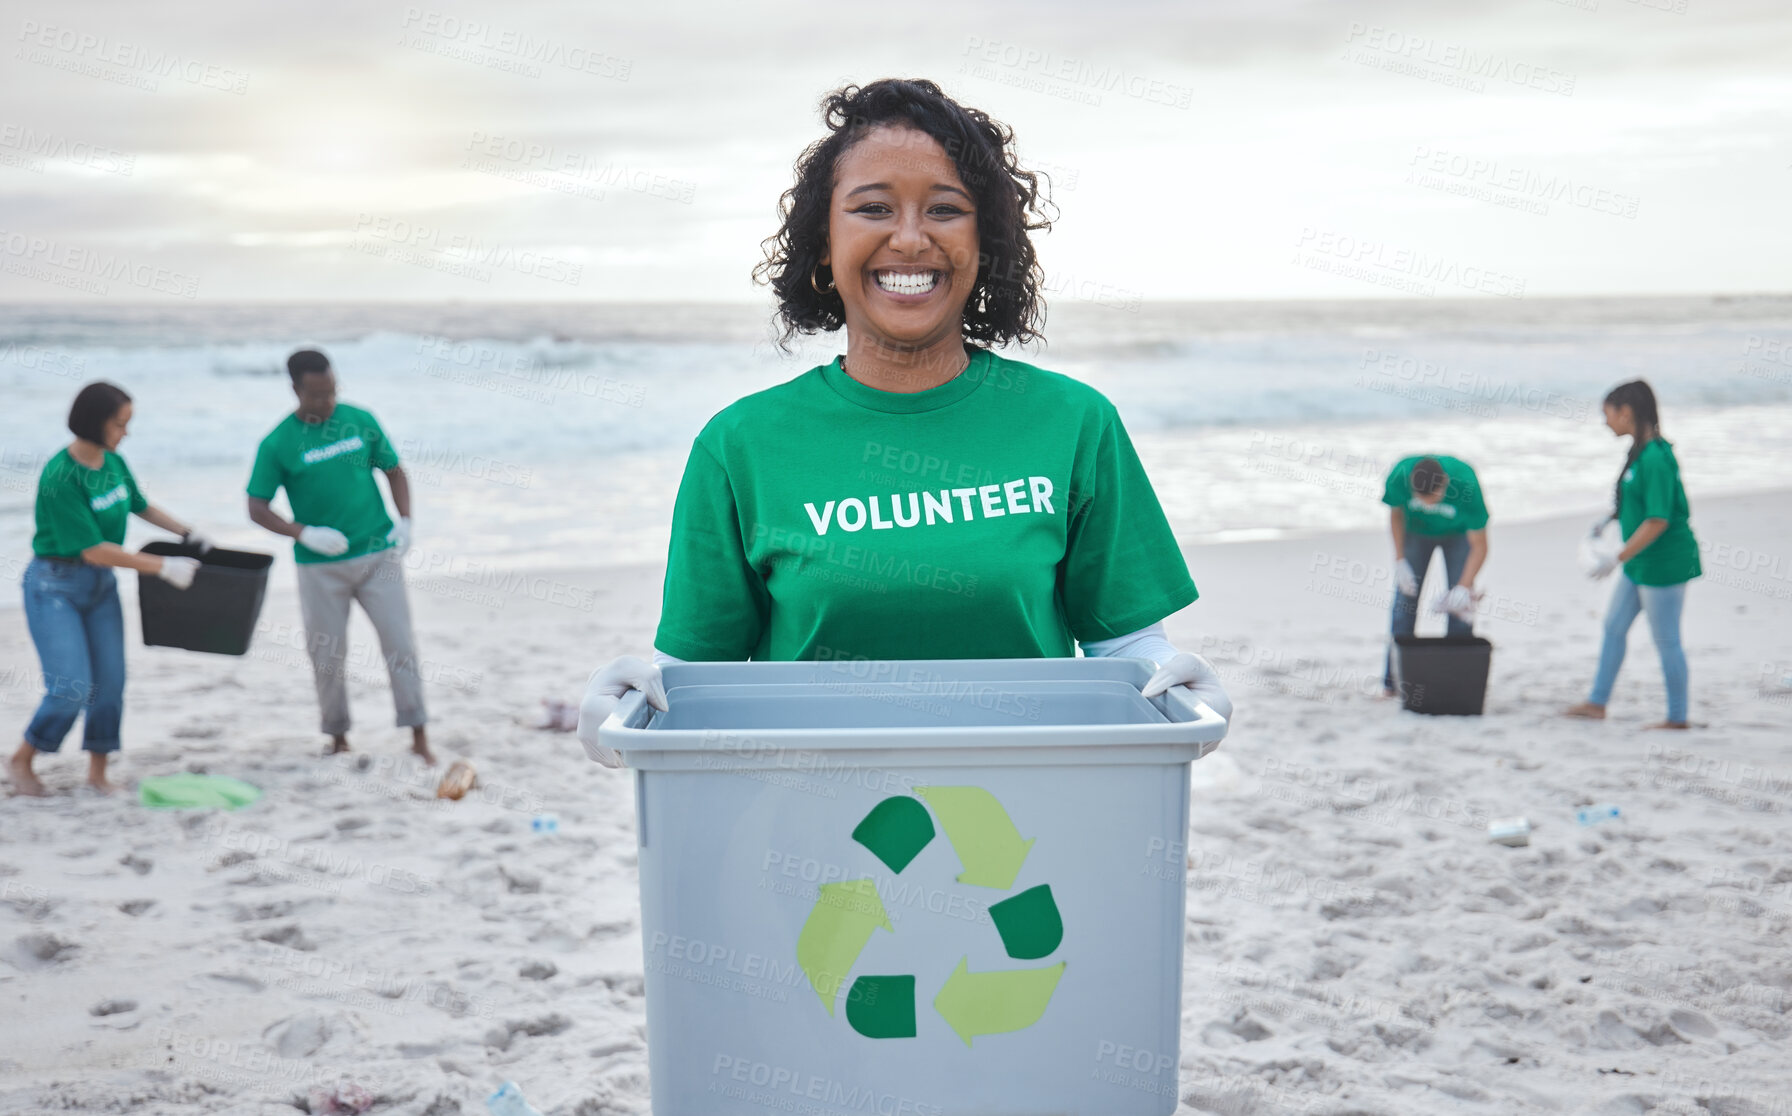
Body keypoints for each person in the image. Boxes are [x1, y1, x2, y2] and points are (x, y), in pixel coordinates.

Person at [575, 78, 1230, 759]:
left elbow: (1122, 646)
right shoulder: (740, 445)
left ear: (986, 241)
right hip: (809, 821)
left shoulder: (1073, 422)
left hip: (1028, 825)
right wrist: (618, 721)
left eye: (946, 210)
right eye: (873, 208)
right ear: (824, 245)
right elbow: (693, 684)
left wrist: (1178, 687)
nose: (911, 239)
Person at [9, 382, 206, 797]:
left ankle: (97, 772)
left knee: (110, 683)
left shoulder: (113, 461)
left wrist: (187, 532)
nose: (126, 432)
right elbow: (95, 550)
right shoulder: (60, 476)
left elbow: (140, 504)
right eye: (120, 424)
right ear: (94, 423)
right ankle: (23, 758)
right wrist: (162, 567)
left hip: (100, 587)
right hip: (54, 586)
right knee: (70, 688)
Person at [247, 350, 433, 764]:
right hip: (320, 566)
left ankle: (418, 733)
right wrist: (301, 532)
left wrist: (405, 520)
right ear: (296, 390)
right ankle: (337, 736)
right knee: (327, 653)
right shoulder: (277, 443)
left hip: (377, 553)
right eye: (317, 395)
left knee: (400, 644)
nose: (327, 402)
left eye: (332, 391)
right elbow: (256, 506)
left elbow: (394, 470)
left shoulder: (359, 420)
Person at [1566, 380, 1700, 728]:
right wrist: (1608, 521)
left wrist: (1617, 558)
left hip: (1663, 563)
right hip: (1639, 561)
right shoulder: (1638, 453)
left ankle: (1677, 718)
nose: (1605, 421)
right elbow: (1634, 503)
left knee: (1666, 639)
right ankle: (1597, 702)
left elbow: (1658, 520)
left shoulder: (1656, 457)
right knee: (1613, 627)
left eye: (1607, 414)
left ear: (1625, 413)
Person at [1381, 454, 1489, 696]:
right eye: (1422, 499)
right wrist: (1399, 561)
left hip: (1459, 535)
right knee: (1404, 602)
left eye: (1433, 498)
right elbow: (1396, 515)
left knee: (1460, 609)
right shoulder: (1399, 476)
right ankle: (1393, 683)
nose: (1429, 505)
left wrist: (1463, 586)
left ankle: (1457, 681)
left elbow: (1480, 544)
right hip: (1416, 533)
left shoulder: (1466, 483)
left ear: (1445, 483)